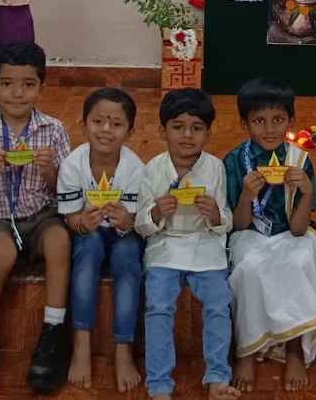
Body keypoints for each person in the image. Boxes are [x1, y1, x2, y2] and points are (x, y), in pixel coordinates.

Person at [0, 40, 72, 399]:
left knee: (60, 242)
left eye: (28, 84)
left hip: (42, 216)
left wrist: (51, 172)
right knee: (2, 253)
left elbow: (65, 192)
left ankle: (53, 334)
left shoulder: (53, 130)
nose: (18, 93)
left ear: (42, 86)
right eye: (7, 84)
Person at [225, 77, 316, 393]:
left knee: (300, 262)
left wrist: (307, 192)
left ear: (291, 121)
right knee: (249, 268)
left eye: (278, 120)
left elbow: (299, 229)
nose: (269, 129)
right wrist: (246, 196)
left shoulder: (299, 161)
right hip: (249, 233)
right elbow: (237, 225)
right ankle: (247, 349)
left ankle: (294, 348)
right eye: (259, 121)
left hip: (290, 233)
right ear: (244, 123)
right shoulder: (234, 161)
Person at [136, 88, 238, 400]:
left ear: (209, 133)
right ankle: (158, 383)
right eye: (178, 127)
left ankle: (218, 376)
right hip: (164, 247)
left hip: (206, 247)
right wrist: (155, 213)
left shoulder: (215, 168)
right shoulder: (153, 169)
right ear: (162, 131)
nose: (187, 135)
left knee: (219, 303)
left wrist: (216, 215)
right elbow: (141, 225)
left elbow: (226, 220)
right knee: (158, 307)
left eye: (197, 128)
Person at [57, 87, 145, 392]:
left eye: (116, 124)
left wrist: (126, 221)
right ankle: (81, 344)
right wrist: (81, 224)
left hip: (124, 233)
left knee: (128, 259)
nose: (106, 129)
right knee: (89, 250)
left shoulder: (136, 169)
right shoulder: (72, 165)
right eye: (98, 121)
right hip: (88, 232)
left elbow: (135, 220)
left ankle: (124, 348)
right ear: (83, 125)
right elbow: (70, 217)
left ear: (130, 132)